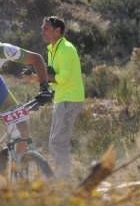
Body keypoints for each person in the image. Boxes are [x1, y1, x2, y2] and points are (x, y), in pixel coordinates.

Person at [40, 16, 85, 180]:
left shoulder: (66, 48)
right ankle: (62, 177)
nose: (42, 31)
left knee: (58, 142)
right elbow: (53, 77)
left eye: (46, 28)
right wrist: (37, 78)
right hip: (62, 99)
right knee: (55, 141)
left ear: (57, 31)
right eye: (42, 28)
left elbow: (63, 78)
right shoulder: (52, 49)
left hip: (69, 100)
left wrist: (43, 76)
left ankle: (63, 181)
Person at [0, 41, 52, 156]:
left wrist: (44, 88)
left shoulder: (3, 50)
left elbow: (36, 58)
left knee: (22, 130)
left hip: (0, 92)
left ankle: (15, 163)